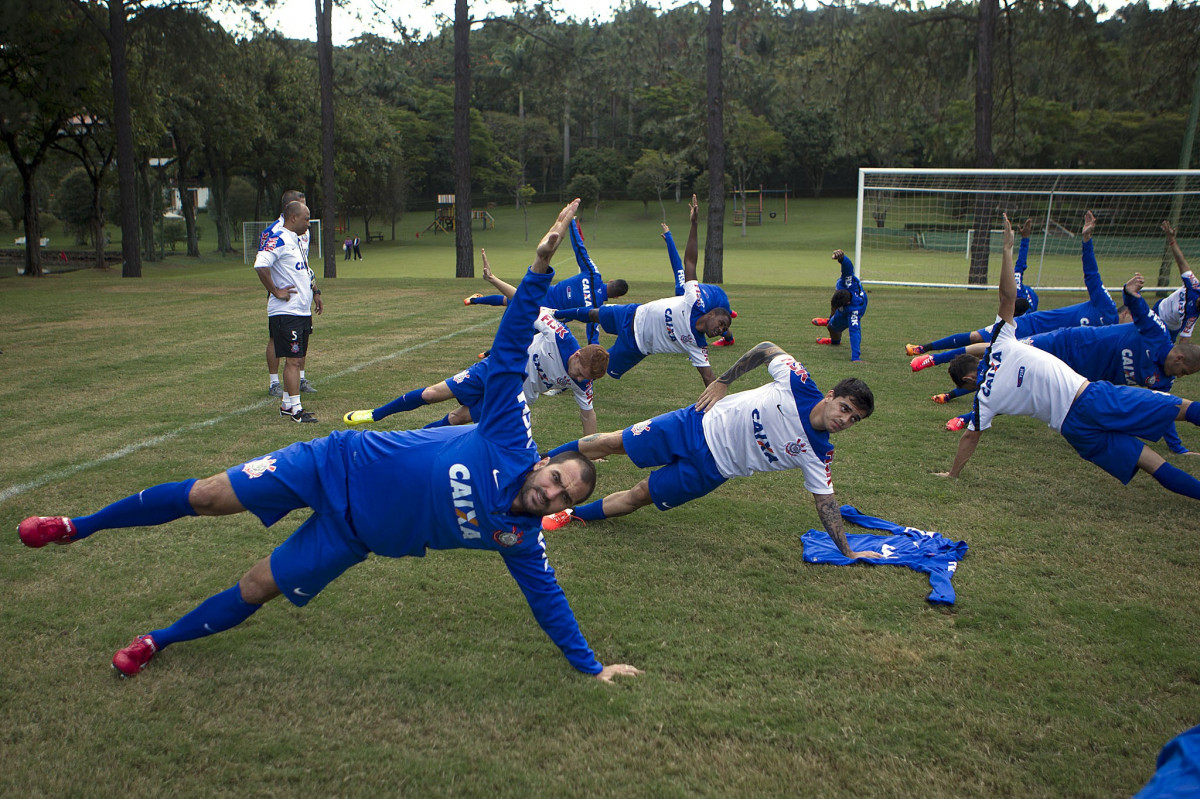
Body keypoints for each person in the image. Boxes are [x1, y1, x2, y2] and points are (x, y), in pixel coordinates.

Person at [16, 199, 642, 685]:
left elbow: (550, 604)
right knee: (208, 496)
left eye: (562, 497)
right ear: (545, 463)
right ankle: (77, 525)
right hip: (333, 462)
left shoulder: (519, 539)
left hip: (353, 536)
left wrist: (591, 666)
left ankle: (158, 640)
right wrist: (537, 268)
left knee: (258, 586)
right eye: (558, 477)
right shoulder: (510, 439)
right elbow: (509, 348)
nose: (552, 490)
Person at [937, 213, 1200, 503]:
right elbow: (1006, 298)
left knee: (1151, 463)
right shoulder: (1000, 342)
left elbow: (970, 438)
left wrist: (953, 474)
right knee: (1183, 409)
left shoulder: (983, 399)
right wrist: (1007, 250)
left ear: (969, 380)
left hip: (1074, 429)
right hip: (1092, 397)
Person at [540, 340, 882, 560]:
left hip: (711, 470)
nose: (845, 419)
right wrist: (723, 380)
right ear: (831, 395)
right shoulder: (799, 382)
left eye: (854, 419)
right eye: (845, 408)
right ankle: (542, 461)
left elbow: (825, 502)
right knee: (615, 443)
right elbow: (766, 349)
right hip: (694, 423)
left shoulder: (819, 453)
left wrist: (849, 551)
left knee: (642, 493)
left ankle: (570, 515)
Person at [344, 250, 609, 437]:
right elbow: (524, 302)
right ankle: (376, 414)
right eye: (579, 371)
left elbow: (588, 415)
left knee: (457, 419)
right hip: (496, 367)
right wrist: (493, 279)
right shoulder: (560, 335)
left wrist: (593, 450)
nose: (579, 378)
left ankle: (407, 440)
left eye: (585, 378)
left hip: (512, 393)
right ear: (576, 356)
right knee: (431, 394)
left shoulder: (584, 381)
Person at [937, 272, 1200, 452]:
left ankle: (968, 417)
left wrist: (1178, 448)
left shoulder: (1164, 379)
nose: (1182, 375)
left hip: (1081, 378)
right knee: (1003, 352)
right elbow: (1137, 307)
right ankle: (934, 358)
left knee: (1018, 389)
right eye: (1185, 370)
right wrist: (1129, 292)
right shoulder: (1155, 333)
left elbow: (1167, 408)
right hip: (1067, 343)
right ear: (1178, 356)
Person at [553, 195, 732, 387]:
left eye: (723, 330)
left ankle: (564, 382)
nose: (720, 330)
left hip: (636, 346)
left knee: (600, 368)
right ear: (711, 313)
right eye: (721, 323)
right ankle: (553, 314)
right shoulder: (694, 301)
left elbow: (708, 377)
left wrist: (721, 406)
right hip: (632, 313)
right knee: (593, 313)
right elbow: (689, 262)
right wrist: (694, 224)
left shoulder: (698, 345)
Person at [907, 211, 1126, 363]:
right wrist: (1025, 239)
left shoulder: (1032, 299)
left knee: (995, 354)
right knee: (978, 340)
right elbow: (1020, 264)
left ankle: (947, 377)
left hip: (1041, 338)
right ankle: (927, 352)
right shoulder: (1020, 289)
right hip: (1022, 326)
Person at [464, 219, 629, 346]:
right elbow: (593, 335)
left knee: (509, 301)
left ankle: (475, 300)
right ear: (615, 298)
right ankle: (489, 353)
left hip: (543, 292)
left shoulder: (593, 274)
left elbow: (580, 249)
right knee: (525, 335)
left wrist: (570, 222)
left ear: (611, 281)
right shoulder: (596, 308)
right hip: (547, 315)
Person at [256, 201, 320, 423]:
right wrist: (275, 290)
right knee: (292, 361)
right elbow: (260, 264)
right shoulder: (279, 238)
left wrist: (315, 292)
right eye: (306, 218)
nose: (309, 223)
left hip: (301, 311)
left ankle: (286, 404)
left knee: (298, 358)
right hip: (286, 312)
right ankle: (296, 410)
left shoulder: (295, 239)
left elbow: (303, 270)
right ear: (293, 218)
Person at [661, 213, 737, 347]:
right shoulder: (681, 289)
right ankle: (731, 314)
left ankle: (729, 339)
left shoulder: (685, 293)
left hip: (718, 298)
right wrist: (668, 237)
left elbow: (681, 263)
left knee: (720, 326)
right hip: (712, 294)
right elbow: (677, 264)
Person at [810, 248, 867, 361]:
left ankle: (834, 339)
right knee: (832, 319)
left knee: (832, 328)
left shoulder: (853, 311)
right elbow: (848, 267)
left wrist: (856, 357)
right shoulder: (845, 282)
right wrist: (842, 258)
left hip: (858, 308)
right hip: (845, 301)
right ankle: (830, 319)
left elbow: (855, 332)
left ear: (846, 304)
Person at [1155, 220, 1199, 342]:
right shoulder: (1194, 285)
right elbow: (1181, 261)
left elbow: (1183, 342)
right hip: (1158, 310)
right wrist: (1171, 238)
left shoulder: (1191, 317)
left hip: (1170, 329)